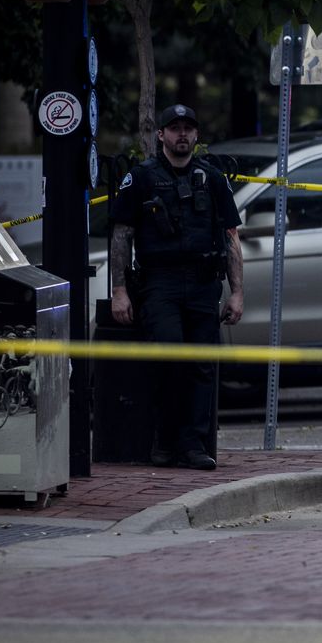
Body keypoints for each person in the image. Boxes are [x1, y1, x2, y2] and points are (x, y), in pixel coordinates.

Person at [109, 104, 244, 470]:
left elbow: (231, 236)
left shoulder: (213, 178)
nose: (181, 134)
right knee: (169, 358)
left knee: (202, 366)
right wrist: (118, 290)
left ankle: (194, 445)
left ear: (196, 135)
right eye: (174, 128)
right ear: (161, 135)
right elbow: (122, 235)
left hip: (203, 283)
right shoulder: (142, 178)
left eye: (188, 128)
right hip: (160, 283)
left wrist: (237, 291)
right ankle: (164, 438)